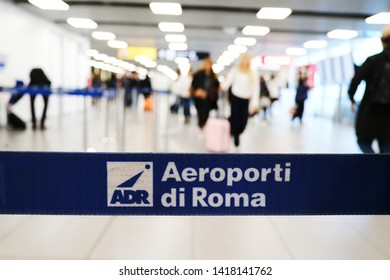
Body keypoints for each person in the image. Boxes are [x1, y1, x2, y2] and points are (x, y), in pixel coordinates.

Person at [348, 25, 390, 153]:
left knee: (363, 142)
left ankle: (375, 166)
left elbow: (356, 79)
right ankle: (382, 169)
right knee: (386, 147)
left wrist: (352, 97)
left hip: (370, 110)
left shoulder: (373, 60)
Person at [223, 53, 259, 148]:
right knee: (235, 118)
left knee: (243, 122)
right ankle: (236, 136)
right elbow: (228, 82)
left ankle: (236, 131)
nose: (245, 61)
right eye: (244, 59)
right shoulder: (235, 71)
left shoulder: (253, 73)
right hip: (235, 97)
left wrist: (255, 103)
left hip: (245, 99)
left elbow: (256, 89)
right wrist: (223, 86)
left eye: (247, 59)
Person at [191, 57, 220, 130]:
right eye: (206, 64)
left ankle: (203, 125)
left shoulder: (213, 76)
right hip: (199, 98)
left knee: (206, 113)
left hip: (208, 98)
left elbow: (217, 86)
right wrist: (198, 91)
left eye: (209, 64)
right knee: (200, 112)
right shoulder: (198, 74)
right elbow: (194, 84)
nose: (207, 66)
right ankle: (201, 126)